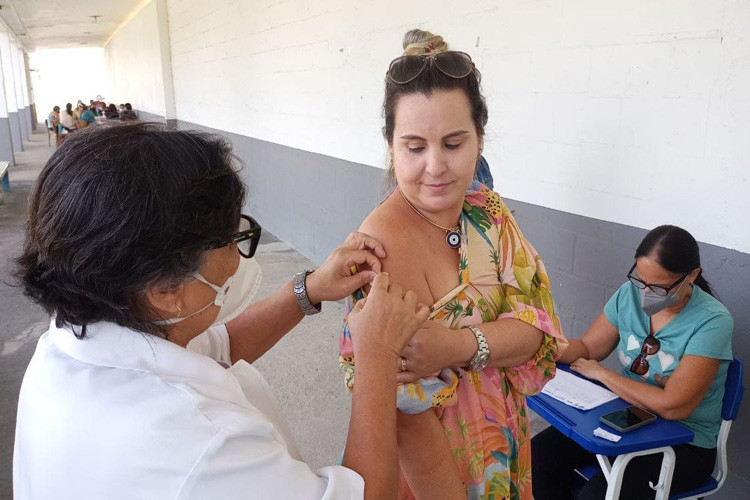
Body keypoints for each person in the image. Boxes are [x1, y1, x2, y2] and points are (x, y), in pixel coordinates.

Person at [13, 123, 430, 499]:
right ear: (164, 288)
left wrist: (310, 290)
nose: (238, 253)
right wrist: (376, 355)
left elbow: (218, 347)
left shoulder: (75, 338)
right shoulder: (201, 445)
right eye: (231, 239)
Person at [339, 29, 566, 499]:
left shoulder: (488, 213)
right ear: (390, 145)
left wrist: (454, 346)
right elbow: (403, 414)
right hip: (438, 478)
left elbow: (537, 330)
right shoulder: (380, 248)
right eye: (415, 147)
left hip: (502, 444)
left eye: (454, 143)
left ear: (480, 139)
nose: (437, 167)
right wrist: (494, 341)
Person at [531, 225, 733, 500]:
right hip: (626, 420)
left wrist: (603, 375)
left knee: (598, 496)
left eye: (658, 288)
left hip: (684, 444)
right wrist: (540, 346)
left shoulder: (712, 322)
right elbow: (589, 347)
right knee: (536, 459)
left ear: (691, 277)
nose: (644, 294)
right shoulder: (628, 294)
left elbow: (673, 406)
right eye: (640, 281)